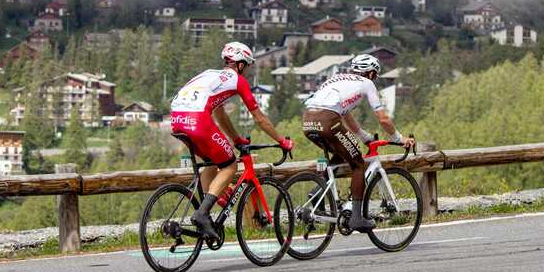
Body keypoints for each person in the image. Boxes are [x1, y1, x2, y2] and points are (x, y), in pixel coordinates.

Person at [171, 42, 294, 240]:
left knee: (213, 163)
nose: (247, 70)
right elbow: (259, 118)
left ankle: (200, 212)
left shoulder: (210, 74)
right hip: (197, 119)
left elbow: (219, 114)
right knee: (229, 166)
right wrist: (281, 140)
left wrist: (236, 138)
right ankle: (202, 214)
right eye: (247, 66)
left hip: (177, 120)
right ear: (241, 64)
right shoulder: (237, 80)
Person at [302, 53, 415, 231]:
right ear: (370, 73)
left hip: (308, 121)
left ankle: (317, 192)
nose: (375, 79)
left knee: (342, 153)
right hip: (328, 120)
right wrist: (399, 139)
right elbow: (383, 119)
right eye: (375, 75)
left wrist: (365, 137)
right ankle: (356, 218)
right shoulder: (366, 83)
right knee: (358, 164)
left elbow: (346, 115)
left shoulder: (337, 78)